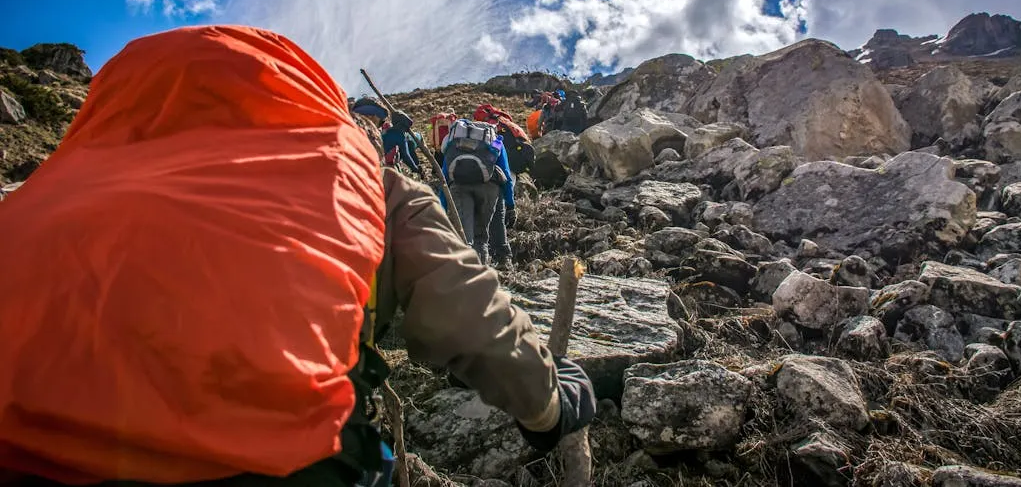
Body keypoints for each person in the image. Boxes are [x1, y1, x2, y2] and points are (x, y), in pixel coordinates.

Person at [0, 25, 594, 487]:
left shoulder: (41, 192)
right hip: (278, 458)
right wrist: (546, 406)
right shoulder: (359, 173)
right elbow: (466, 306)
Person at [441, 118, 516, 268]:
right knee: (481, 237)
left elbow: (444, 176)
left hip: (460, 187)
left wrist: (441, 208)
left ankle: (466, 272)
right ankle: (486, 269)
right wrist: (510, 204)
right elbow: (506, 176)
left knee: (465, 238)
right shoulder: (495, 142)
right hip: (489, 189)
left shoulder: (454, 143)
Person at [381, 111, 423, 176]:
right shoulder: (400, 136)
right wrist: (415, 169)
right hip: (387, 164)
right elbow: (406, 155)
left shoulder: (387, 132)